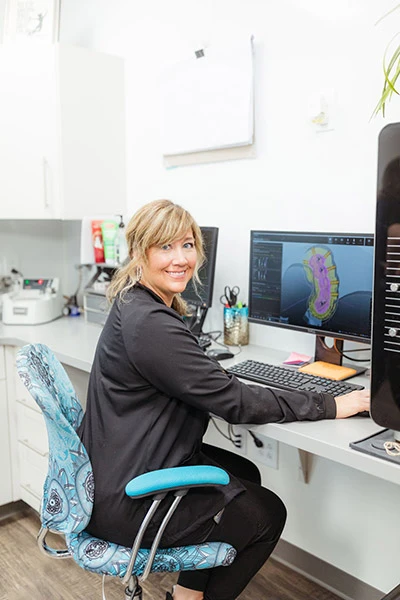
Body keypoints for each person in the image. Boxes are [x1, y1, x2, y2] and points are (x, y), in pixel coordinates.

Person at [78, 199, 370, 600]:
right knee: (267, 513)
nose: (181, 259)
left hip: (116, 469)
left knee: (245, 472)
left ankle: (186, 591)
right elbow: (235, 404)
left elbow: (200, 377)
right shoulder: (151, 324)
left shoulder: (135, 302)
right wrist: (332, 404)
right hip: (129, 499)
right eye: (165, 247)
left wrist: (218, 377)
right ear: (138, 252)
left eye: (187, 244)